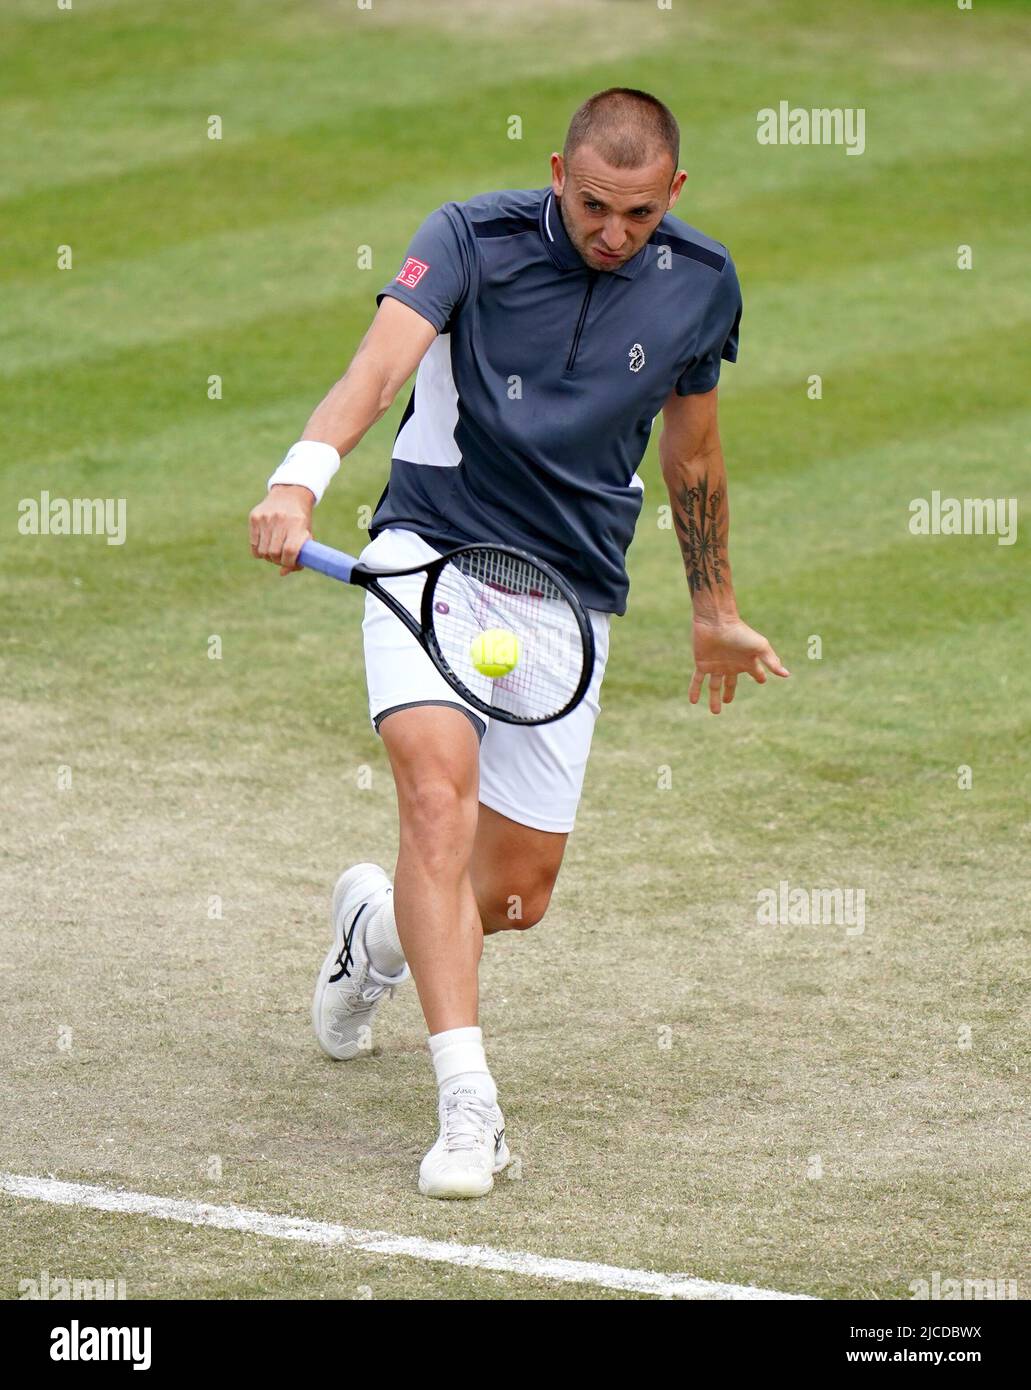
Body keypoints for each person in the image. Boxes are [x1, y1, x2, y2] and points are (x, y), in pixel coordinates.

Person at [248, 87, 789, 1200]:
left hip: (567, 592)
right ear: (557, 173)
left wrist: (712, 605)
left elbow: (690, 457)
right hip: (428, 555)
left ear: (672, 195)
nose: (612, 232)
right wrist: (297, 481)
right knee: (435, 801)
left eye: (637, 214)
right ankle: (468, 1109)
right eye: (592, 205)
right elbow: (379, 368)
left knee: (510, 896)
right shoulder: (468, 238)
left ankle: (375, 930)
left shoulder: (699, 281)